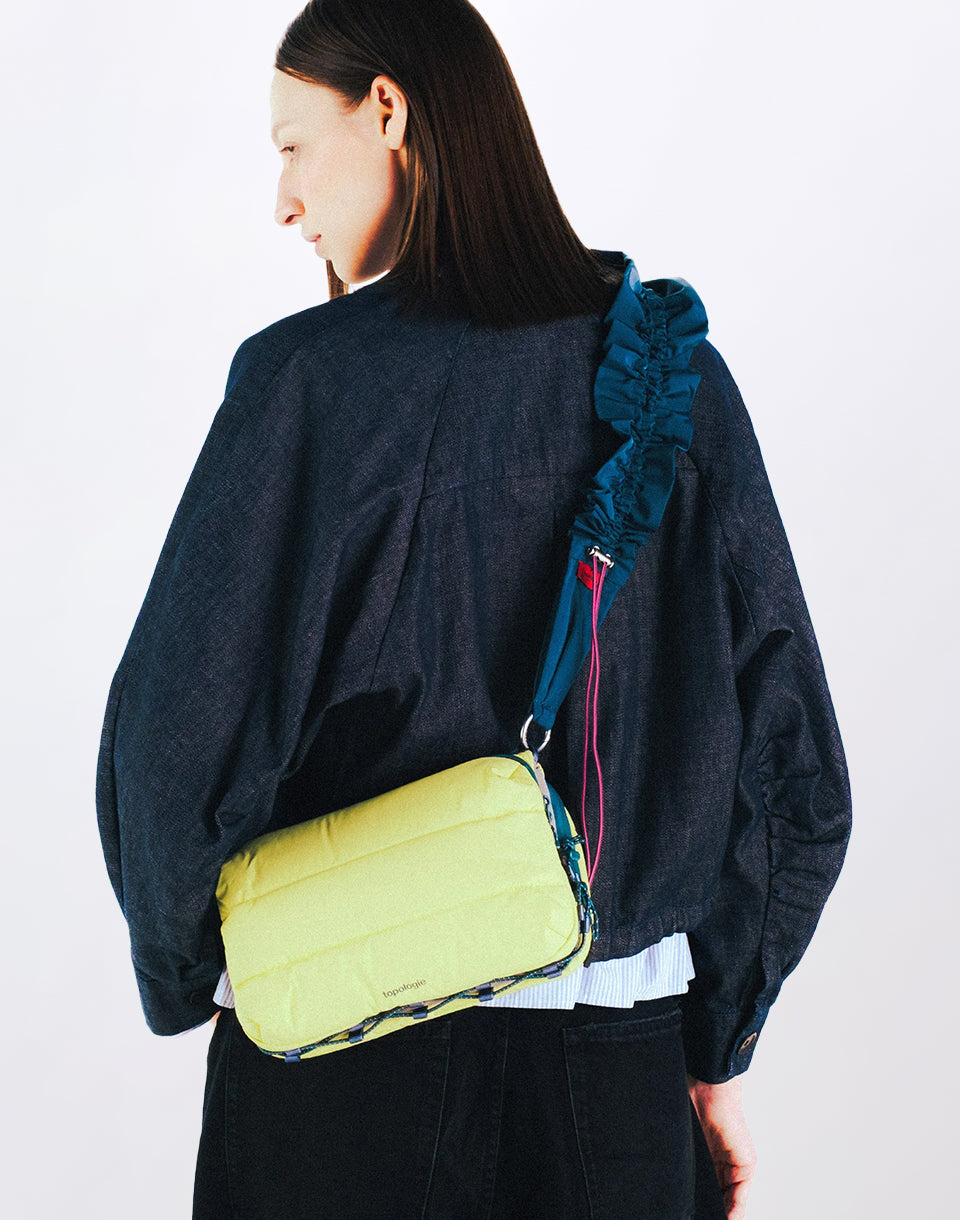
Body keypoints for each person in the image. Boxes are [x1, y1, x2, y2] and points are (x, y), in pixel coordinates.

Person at [95, 2, 852, 1217]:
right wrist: (713, 1048)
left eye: (292, 147)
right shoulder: (676, 385)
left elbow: (171, 757)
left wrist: (193, 970)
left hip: (343, 1066)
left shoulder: (308, 387)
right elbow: (797, 779)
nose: (284, 202)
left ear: (388, 111)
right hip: (616, 1083)